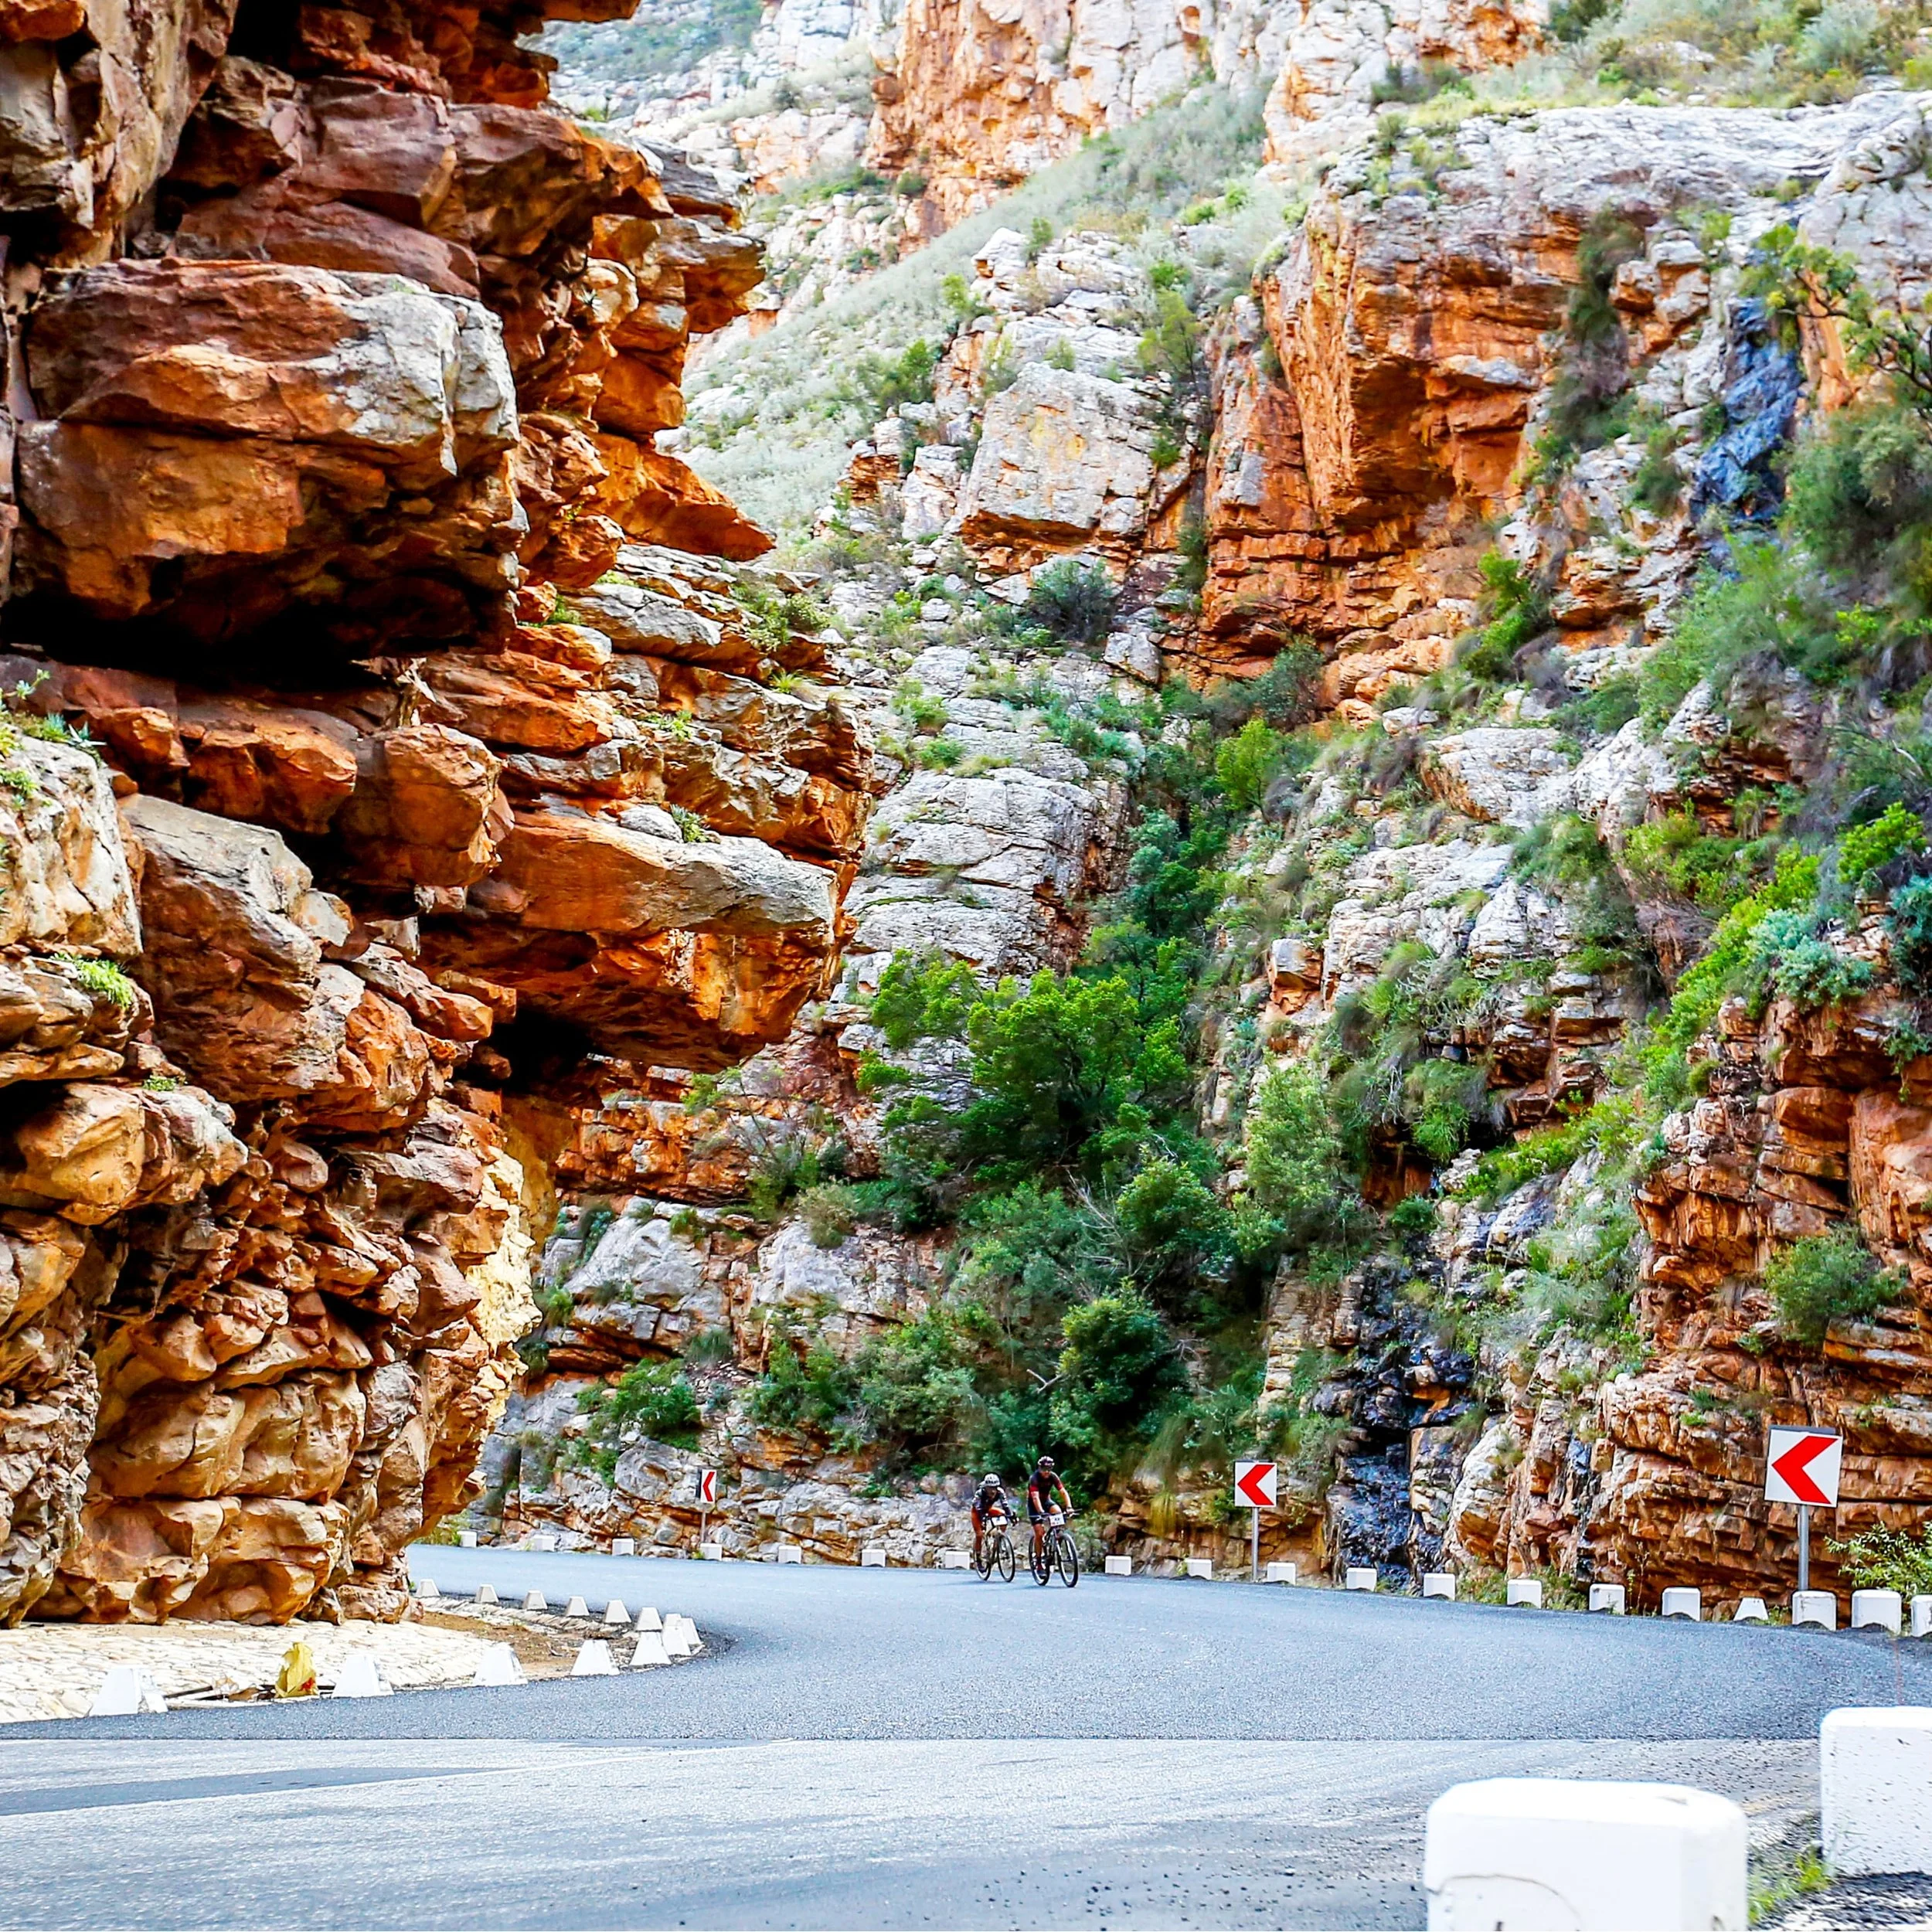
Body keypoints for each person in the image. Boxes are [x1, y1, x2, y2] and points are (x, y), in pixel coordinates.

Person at [1027, 1456, 1073, 1567]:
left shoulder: (1053, 1477)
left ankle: (1057, 1539)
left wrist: (1069, 1507)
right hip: (1034, 1505)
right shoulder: (1034, 1478)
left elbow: (1063, 1492)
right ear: (1039, 1468)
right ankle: (1038, 1562)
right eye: (1044, 1469)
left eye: (1049, 1469)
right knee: (1039, 1533)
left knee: (1058, 1512)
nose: (1047, 1472)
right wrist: (1041, 1512)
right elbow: (1035, 1498)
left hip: (1047, 1501)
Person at [971, 1471, 1009, 1566]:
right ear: (986, 1487)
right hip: (977, 1512)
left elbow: (1005, 1505)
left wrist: (1011, 1516)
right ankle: (978, 1558)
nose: (993, 1491)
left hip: (988, 1509)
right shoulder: (980, 1492)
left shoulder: (1000, 1492)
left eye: (995, 1488)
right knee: (979, 1534)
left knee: (1003, 1514)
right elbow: (978, 1506)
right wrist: (983, 1519)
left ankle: (999, 1539)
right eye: (990, 1488)